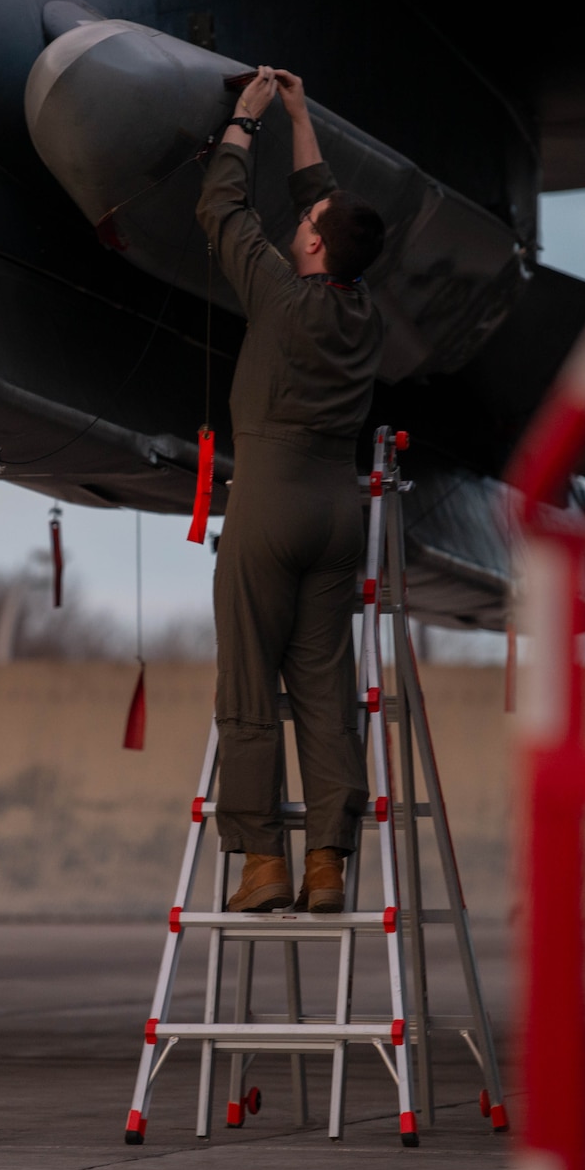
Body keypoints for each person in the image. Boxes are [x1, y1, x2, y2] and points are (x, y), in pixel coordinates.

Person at [196, 67, 388, 914]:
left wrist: (244, 122)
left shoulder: (279, 297)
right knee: (324, 691)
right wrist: (305, 115)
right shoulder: (364, 310)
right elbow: (331, 206)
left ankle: (261, 860)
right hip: (336, 511)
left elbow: (221, 212)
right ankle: (329, 862)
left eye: (305, 223)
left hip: (268, 504)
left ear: (309, 248)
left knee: (248, 686)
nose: (301, 219)